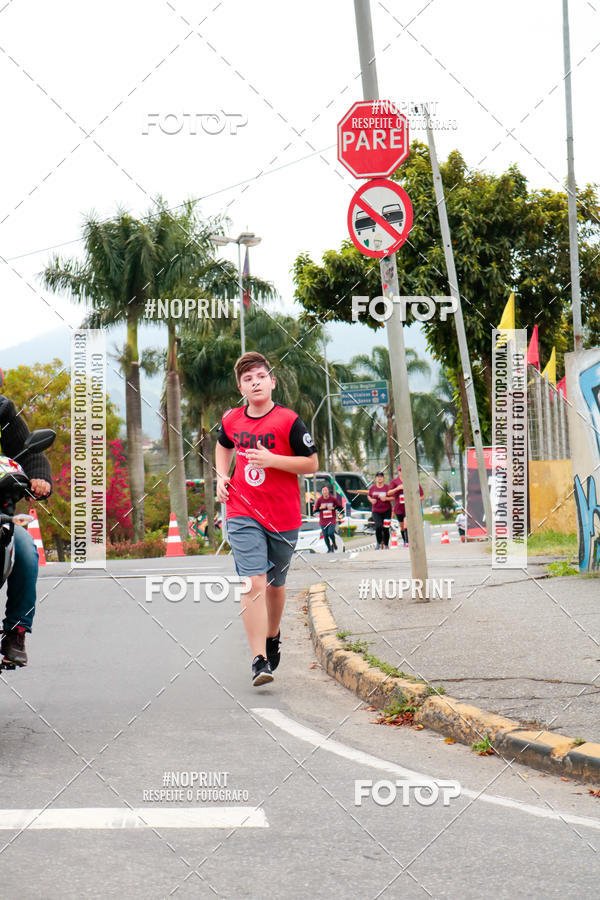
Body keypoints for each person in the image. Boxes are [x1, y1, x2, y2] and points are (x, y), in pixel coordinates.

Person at [216, 352, 319, 687]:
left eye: (261, 376)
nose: (255, 382)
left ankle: (273, 635)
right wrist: (222, 476)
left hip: (283, 516)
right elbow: (223, 445)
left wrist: (273, 460)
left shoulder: (289, 421)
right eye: (248, 379)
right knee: (253, 582)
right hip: (243, 511)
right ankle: (259, 659)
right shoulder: (232, 419)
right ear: (240, 387)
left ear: (272, 382)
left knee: (275, 586)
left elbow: (311, 464)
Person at [0, 396, 52, 666]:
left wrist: (40, 478)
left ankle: (16, 631)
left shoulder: (3, 411)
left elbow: (30, 453)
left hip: (0, 517)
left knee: (25, 550)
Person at [387, 465, 424, 547]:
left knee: (406, 523)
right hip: (399, 508)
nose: (402, 473)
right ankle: (405, 540)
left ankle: (408, 541)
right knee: (402, 526)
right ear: (398, 472)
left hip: (410, 508)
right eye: (400, 471)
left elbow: (422, 496)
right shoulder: (394, 482)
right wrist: (397, 488)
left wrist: (413, 498)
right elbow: (389, 493)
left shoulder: (412, 481)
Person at [313, 484, 344, 553]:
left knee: (330, 533)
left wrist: (333, 508)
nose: (325, 492)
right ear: (322, 492)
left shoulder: (333, 499)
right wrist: (320, 508)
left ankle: (334, 543)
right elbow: (315, 511)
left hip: (331, 520)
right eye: (323, 490)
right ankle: (329, 549)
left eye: (326, 490)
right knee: (325, 535)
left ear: (328, 491)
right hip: (323, 521)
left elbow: (340, 508)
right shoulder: (319, 500)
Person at [368, 471, 391, 549]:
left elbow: (393, 497)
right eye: (378, 477)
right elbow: (369, 496)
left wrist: (386, 498)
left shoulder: (387, 488)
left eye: (381, 476)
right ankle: (378, 543)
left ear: (383, 478)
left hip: (387, 510)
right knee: (378, 526)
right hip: (376, 511)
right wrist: (371, 500)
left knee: (386, 528)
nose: (379, 478)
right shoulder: (372, 488)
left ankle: (386, 544)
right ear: (375, 479)